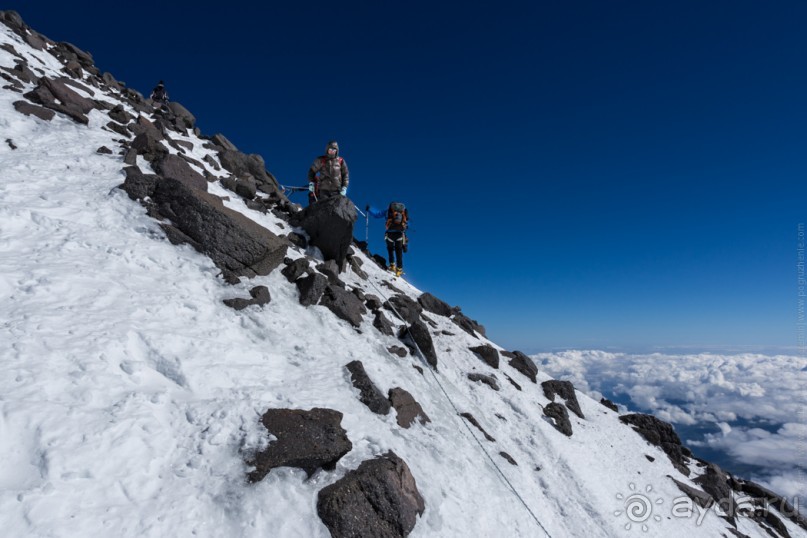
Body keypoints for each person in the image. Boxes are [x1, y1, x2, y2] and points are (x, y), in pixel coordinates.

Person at [368, 202, 408, 277]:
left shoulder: (387, 211)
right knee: (399, 252)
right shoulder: (403, 213)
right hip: (399, 234)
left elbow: (377, 214)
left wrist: (369, 209)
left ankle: (392, 265)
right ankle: (399, 270)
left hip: (389, 234)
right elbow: (406, 224)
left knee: (390, 249)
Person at [307, 140, 349, 205]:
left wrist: (344, 187)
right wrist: (311, 183)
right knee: (324, 207)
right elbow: (311, 172)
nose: (332, 152)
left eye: (334, 150)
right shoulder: (321, 160)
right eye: (330, 150)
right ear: (327, 150)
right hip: (324, 190)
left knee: (336, 208)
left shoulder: (341, 161)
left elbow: (345, 174)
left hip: (337, 190)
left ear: (336, 151)